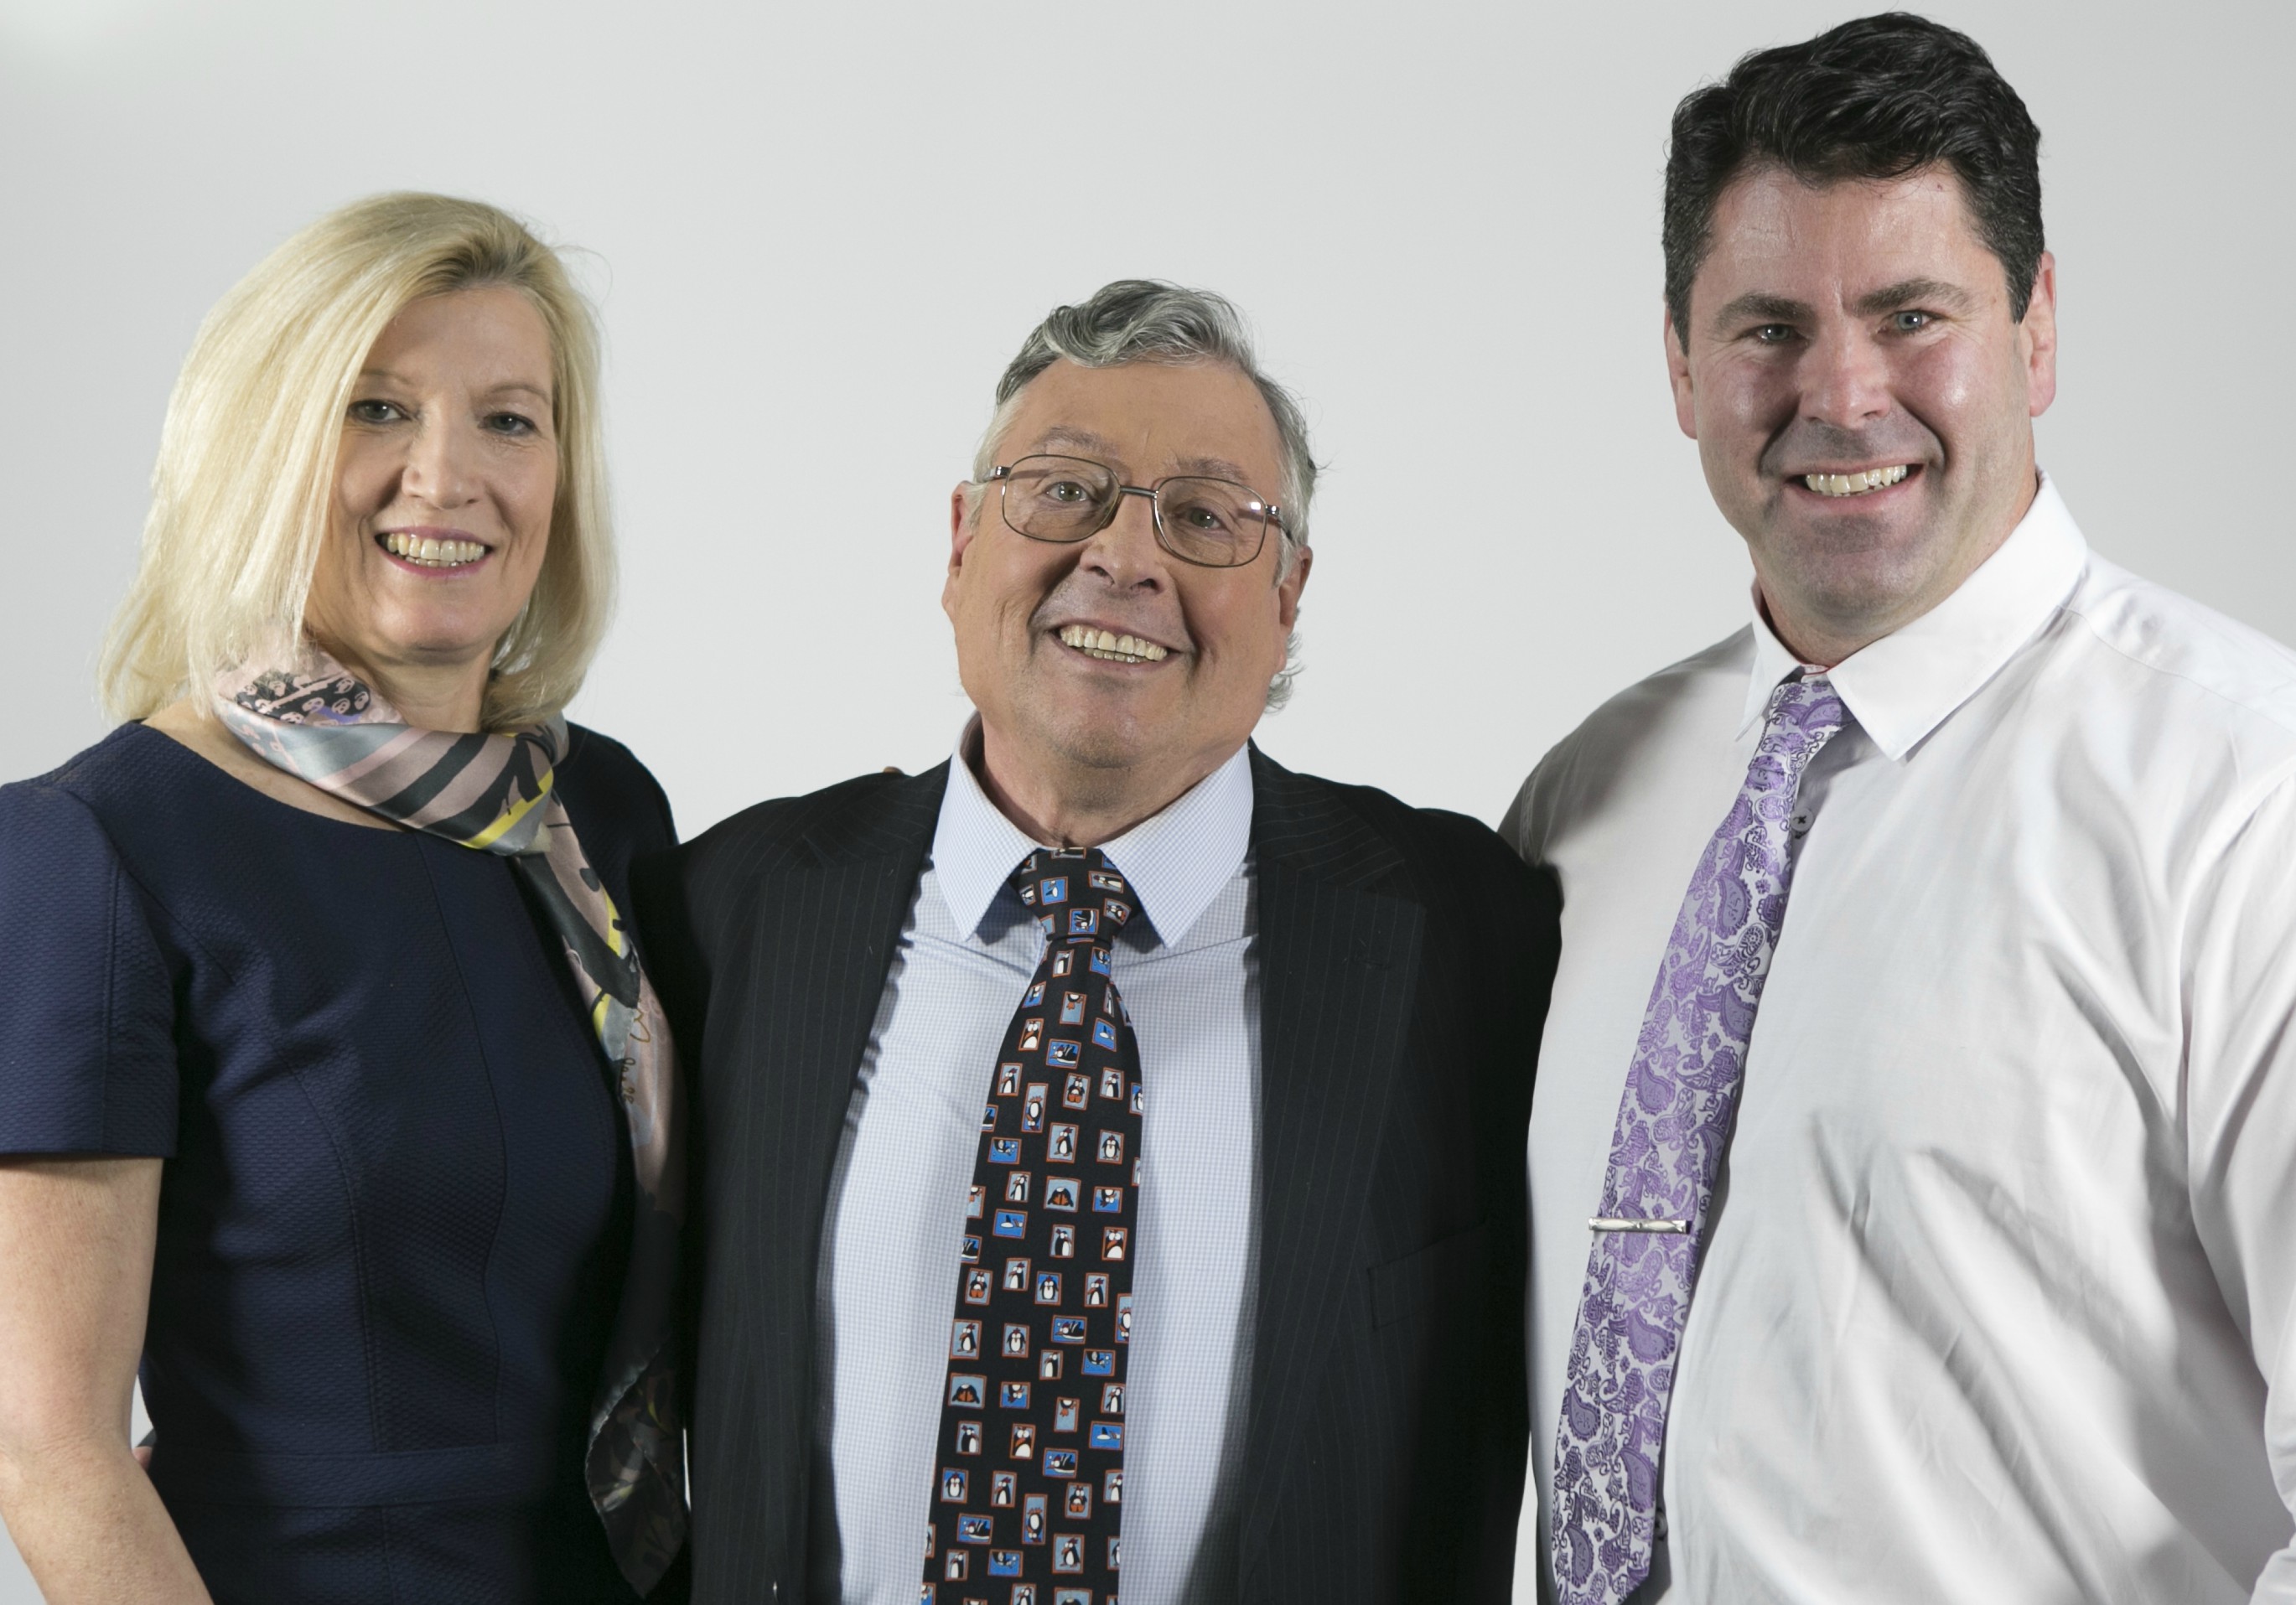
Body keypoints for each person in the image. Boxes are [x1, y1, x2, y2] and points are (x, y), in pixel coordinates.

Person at [1506, 15, 2296, 1603]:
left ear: (2041, 326)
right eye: (1767, 327)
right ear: (1679, 362)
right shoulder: (1584, 805)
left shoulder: (2245, 795)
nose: (1842, 393)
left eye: (1912, 314)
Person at [635, 280, 1557, 1602]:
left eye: (1205, 517)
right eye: (1065, 492)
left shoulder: (1473, 936)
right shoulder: (734, 910)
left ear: (1290, 596)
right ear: (961, 545)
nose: (1126, 558)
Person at [0, 194, 688, 1603]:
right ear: (262, 451)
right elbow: (50, 1450)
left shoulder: (595, 817)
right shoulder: (101, 847)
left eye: (510, 420)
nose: (445, 478)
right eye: (375, 409)